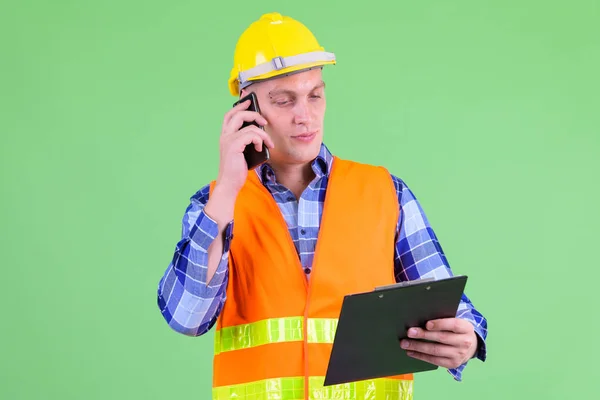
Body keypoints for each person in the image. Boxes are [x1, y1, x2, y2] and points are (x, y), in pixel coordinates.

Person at [157, 12, 487, 400]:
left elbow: (450, 309)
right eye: (284, 100)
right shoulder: (215, 205)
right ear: (247, 108)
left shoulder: (386, 192)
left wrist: (466, 338)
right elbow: (187, 317)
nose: (305, 115)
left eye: (315, 94)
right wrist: (228, 188)